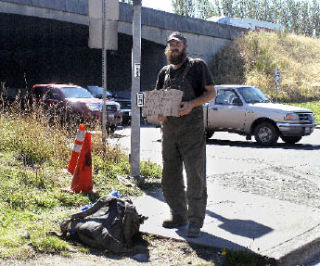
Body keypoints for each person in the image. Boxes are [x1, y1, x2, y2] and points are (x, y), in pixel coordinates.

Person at [155, 32, 216, 238]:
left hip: (192, 130)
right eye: (171, 44)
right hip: (170, 131)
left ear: (185, 46)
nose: (174, 48)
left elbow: (211, 93)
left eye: (178, 44)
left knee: (195, 175)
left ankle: (195, 221)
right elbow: (158, 101)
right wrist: (159, 114)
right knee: (169, 175)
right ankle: (178, 215)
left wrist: (191, 104)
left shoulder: (197, 66)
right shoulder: (164, 72)